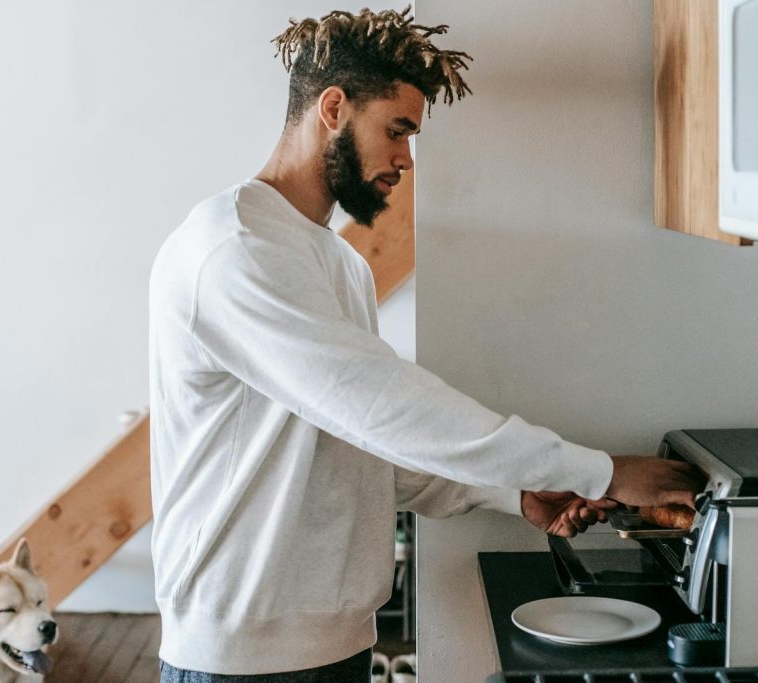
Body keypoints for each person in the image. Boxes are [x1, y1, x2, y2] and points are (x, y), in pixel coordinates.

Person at [148, 7, 699, 682]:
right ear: (332, 108)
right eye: (397, 130)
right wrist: (599, 470)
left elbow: (365, 447)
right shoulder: (234, 251)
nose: (406, 160)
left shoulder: (339, 264)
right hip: (237, 663)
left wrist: (513, 493)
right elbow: (382, 406)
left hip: (338, 646)